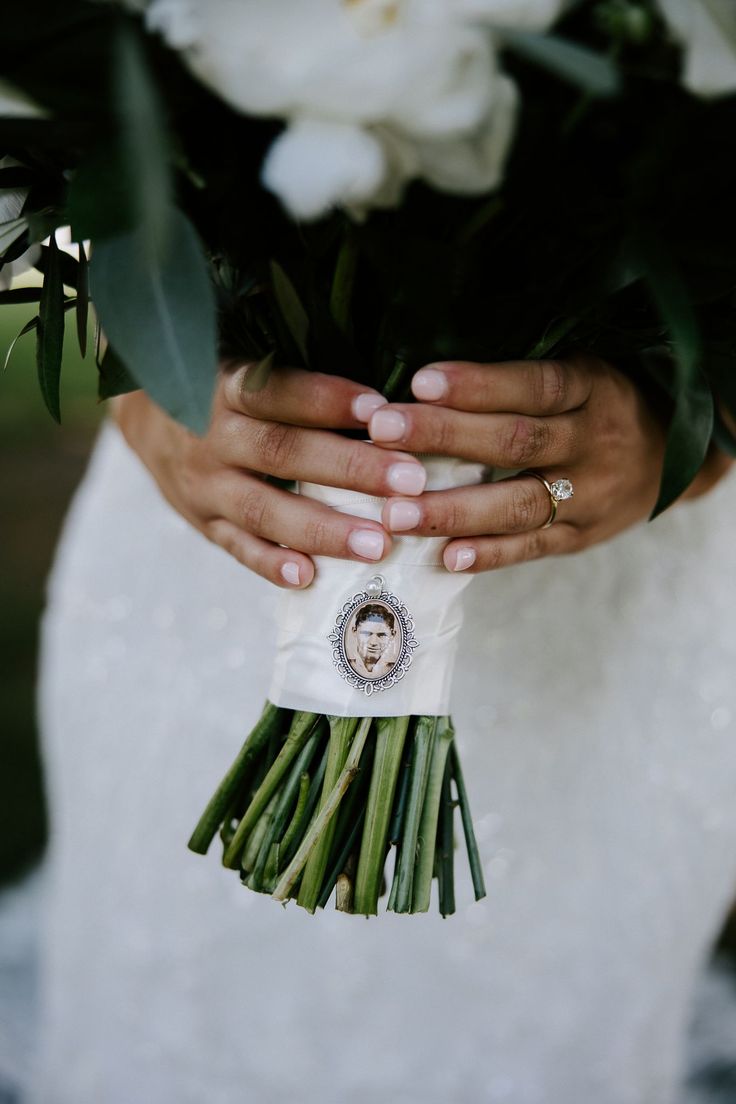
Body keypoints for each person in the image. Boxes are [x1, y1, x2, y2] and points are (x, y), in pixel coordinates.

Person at [30, 352, 736, 1104]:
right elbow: (104, 245)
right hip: (202, 557)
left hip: (604, 626)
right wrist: (147, 391)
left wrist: (689, 441)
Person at [348, 605, 398, 680]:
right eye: (366, 634)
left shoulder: (396, 670)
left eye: (381, 635)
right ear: (354, 631)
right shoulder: (347, 666)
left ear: (392, 635)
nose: (373, 642)